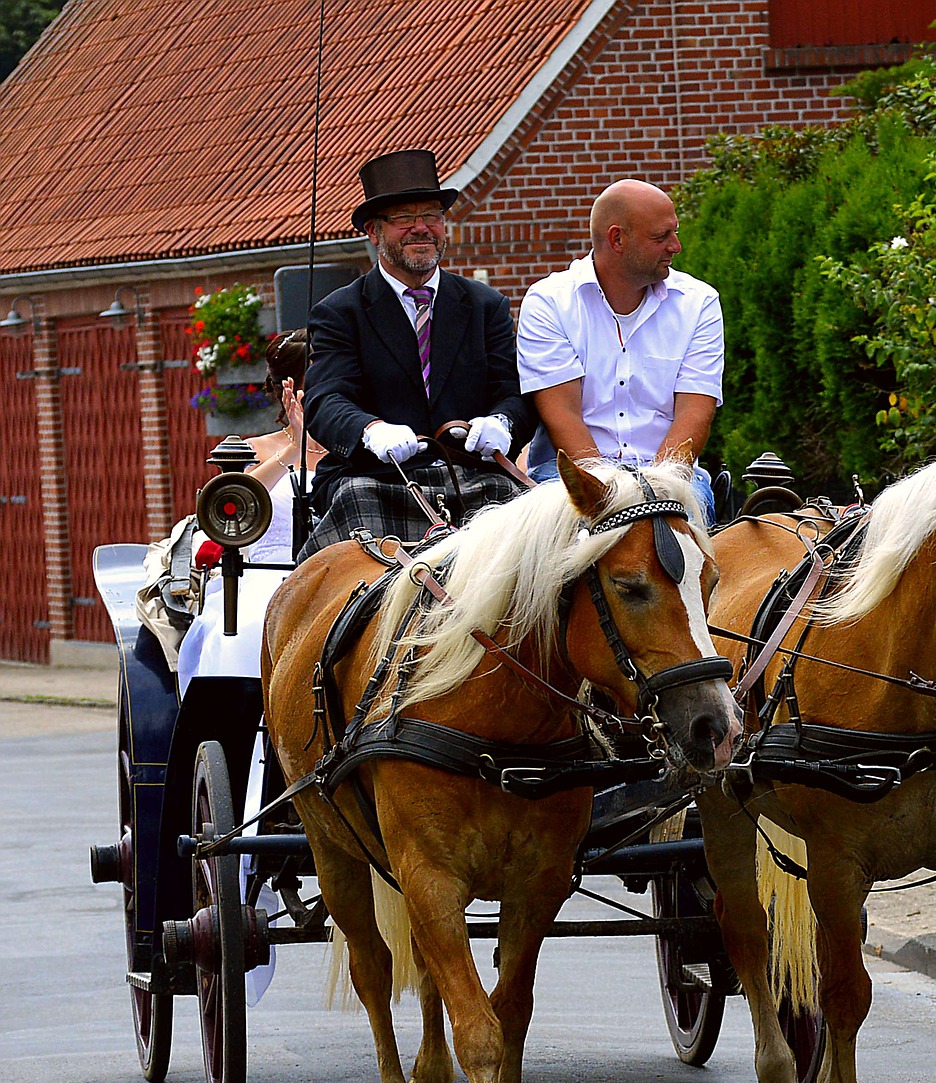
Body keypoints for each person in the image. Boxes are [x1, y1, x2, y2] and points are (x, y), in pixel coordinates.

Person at [300, 148, 533, 557]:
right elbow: (325, 401)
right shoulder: (340, 312)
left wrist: (503, 421)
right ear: (373, 232)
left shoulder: (485, 306)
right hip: (376, 482)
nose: (421, 229)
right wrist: (369, 430)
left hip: (476, 478)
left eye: (431, 216)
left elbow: (515, 392)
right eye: (404, 219)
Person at [516, 179, 724, 522]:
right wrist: (609, 496)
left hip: (670, 477)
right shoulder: (549, 302)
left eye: (674, 232)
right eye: (662, 237)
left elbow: (695, 412)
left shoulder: (699, 303)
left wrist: (655, 492)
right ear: (617, 239)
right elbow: (562, 416)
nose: (677, 246)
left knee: (692, 560)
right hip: (576, 483)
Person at [176, 328, 322, 694]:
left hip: (344, 566)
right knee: (251, 627)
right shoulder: (251, 450)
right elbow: (236, 510)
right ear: (289, 388)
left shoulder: (357, 445)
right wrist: (294, 447)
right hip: (267, 573)